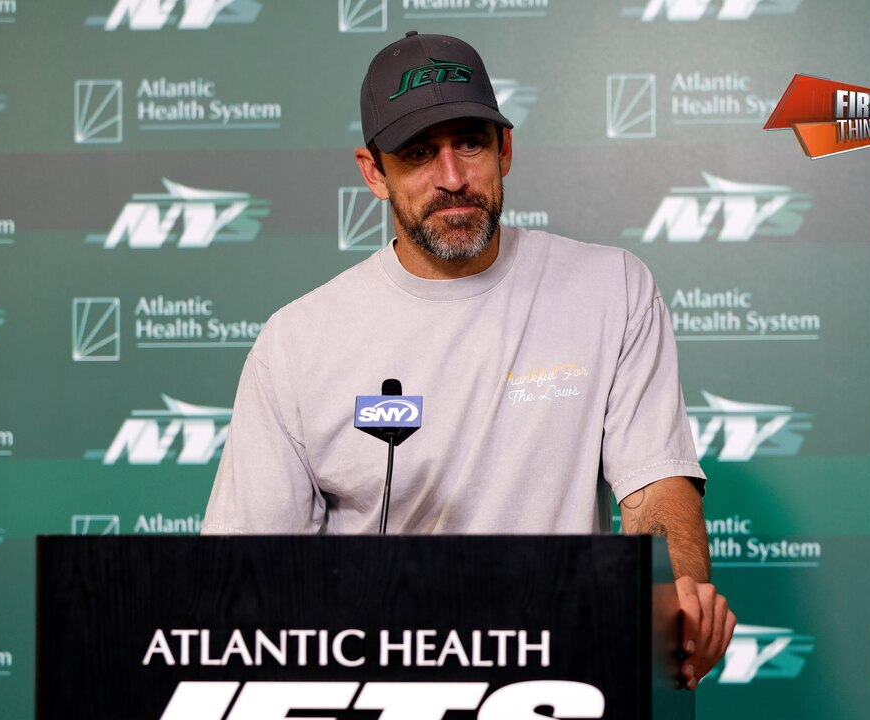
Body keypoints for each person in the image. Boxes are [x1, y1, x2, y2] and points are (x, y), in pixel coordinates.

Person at [203, 31, 734, 688]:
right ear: (374, 173)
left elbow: (655, 489)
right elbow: (242, 576)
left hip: (562, 674)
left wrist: (674, 594)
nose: (452, 178)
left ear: (504, 148)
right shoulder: (297, 341)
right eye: (418, 154)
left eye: (470, 144)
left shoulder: (612, 288)